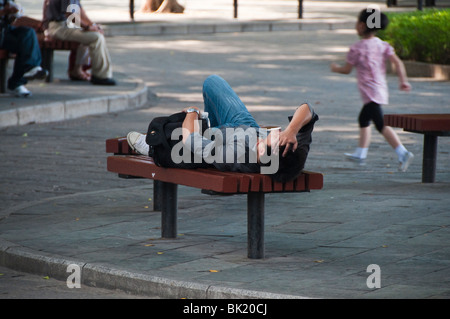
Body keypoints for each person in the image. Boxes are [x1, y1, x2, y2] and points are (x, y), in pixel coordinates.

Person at [127, 75, 319, 183]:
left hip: (218, 139)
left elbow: (189, 138)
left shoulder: (232, 155)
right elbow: (308, 108)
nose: (277, 132)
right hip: (244, 125)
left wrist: (193, 112)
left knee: (178, 136)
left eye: (274, 137)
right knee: (212, 82)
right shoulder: (293, 150)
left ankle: (152, 148)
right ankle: (208, 124)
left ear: (261, 151)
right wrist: (292, 130)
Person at [330, 8, 414, 171]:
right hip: (379, 90)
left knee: (381, 124)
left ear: (361, 26)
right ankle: (361, 152)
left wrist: (335, 68)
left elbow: (347, 69)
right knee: (364, 119)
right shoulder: (382, 45)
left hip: (370, 93)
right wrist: (403, 81)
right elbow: (398, 63)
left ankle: (402, 152)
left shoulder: (357, 48)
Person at [44, 0, 115, 85]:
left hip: (65, 25)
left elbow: (80, 11)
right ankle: (100, 76)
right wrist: (87, 27)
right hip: (58, 28)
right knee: (96, 38)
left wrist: (93, 26)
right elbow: (71, 15)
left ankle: (76, 70)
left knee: (93, 35)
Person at [0, 0, 48, 97]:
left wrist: (13, 14)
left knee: (28, 34)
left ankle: (30, 70)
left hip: (4, 29)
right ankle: (22, 77)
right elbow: (72, 18)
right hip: (61, 27)